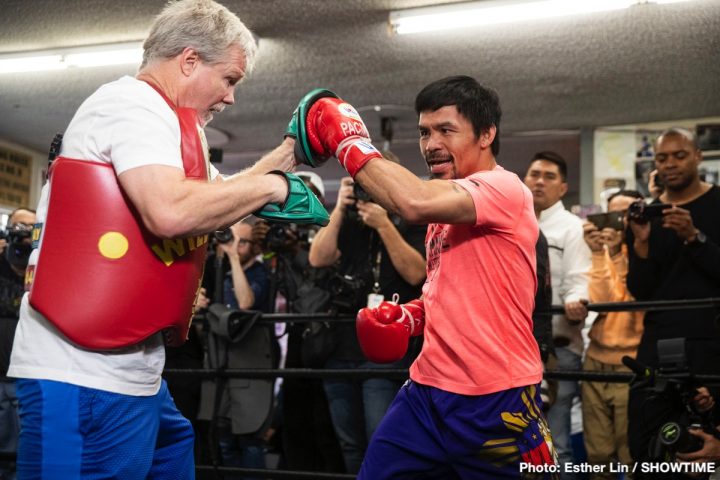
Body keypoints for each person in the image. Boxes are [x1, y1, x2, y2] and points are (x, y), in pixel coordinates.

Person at [7, 1, 326, 478]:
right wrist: (276, 187)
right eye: (230, 79)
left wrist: (289, 153)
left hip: (133, 369)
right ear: (190, 60)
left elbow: (215, 200)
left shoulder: (179, 131)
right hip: (79, 373)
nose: (231, 98)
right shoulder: (131, 105)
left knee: (174, 457)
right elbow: (171, 212)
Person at [296, 75, 555, 478]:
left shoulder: (505, 189)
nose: (431, 143)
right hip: (426, 391)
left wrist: (348, 141)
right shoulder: (444, 207)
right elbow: (446, 288)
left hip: (493, 397)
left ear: (486, 134)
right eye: (424, 132)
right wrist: (412, 316)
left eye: (446, 130)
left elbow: (412, 202)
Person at [308, 170, 426, 474]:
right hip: (341, 349)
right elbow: (318, 258)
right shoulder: (347, 218)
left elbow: (416, 273)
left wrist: (384, 224)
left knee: (381, 440)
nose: (369, 191)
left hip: (385, 352)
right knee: (349, 444)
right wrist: (338, 208)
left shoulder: (412, 220)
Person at [626, 127, 720, 477]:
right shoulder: (645, 215)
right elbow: (640, 291)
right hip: (658, 341)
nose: (670, 164)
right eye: (662, 158)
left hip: (710, 342)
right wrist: (641, 245)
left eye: (679, 155)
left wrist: (695, 239)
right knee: (645, 443)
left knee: (700, 449)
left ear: (698, 156)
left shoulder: (717, 204)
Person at [524, 151, 591, 478]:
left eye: (549, 176)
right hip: (516, 347)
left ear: (563, 188)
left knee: (557, 439)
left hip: (560, 345)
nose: (539, 181)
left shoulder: (573, 228)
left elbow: (580, 279)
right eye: (534, 174)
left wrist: (577, 301)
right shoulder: (512, 222)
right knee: (520, 441)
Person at [581, 190, 645, 479]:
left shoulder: (647, 253)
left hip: (631, 365)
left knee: (630, 452)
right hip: (594, 362)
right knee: (597, 454)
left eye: (625, 216)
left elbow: (627, 298)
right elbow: (601, 300)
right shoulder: (599, 252)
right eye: (612, 216)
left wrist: (618, 254)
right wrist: (598, 253)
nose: (618, 224)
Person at [0, 208, 35, 480]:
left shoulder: (48, 265)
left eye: (30, 228)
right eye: (18, 227)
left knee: (25, 452)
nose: (23, 234)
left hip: (28, 376)